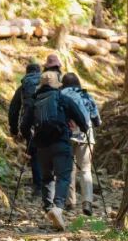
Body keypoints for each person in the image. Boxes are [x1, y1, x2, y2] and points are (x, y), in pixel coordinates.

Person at [20, 71, 89, 231]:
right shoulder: (62, 98)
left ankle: (48, 208)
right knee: (63, 177)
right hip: (61, 143)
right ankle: (58, 208)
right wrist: (84, 128)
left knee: (47, 178)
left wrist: (30, 139)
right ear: (57, 85)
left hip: (42, 147)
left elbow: (24, 126)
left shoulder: (34, 102)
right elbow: (80, 118)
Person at [61, 73, 101, 216]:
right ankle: (87, 202)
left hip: (66, 135)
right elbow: (97, 120)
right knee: (85, 169)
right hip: (85, 136)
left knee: (68, 169)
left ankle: (70, 202)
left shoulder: (60, 95)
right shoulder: (86, 95)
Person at [8, 62, 43, 198]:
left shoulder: (23, 88)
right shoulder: (48, 85)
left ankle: (39, 187)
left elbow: (13, 110)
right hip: (49, 124)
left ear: (27, 73)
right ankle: (51, 188)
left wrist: (14, 130)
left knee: (34, 155)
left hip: (30, 126)